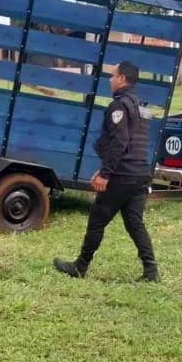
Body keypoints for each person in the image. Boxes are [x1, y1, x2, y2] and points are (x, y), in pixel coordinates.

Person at [53, 60, 160, 283]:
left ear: (122, 78)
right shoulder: (140, 106)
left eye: (112, 76)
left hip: (123, 175)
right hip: (140, 173)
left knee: (97, 219)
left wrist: (105, 173)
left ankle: (80, 266)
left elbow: (119, 143)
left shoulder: (119, 106)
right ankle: (151, 271)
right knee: (134, 222)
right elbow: (131, 144)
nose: (110, 80)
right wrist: (104, 169)